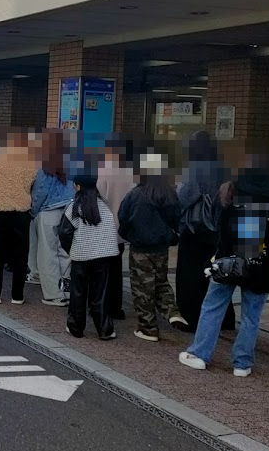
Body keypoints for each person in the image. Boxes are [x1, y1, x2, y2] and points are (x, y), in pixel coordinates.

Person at [180, 158, 269, 377]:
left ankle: (200, 354)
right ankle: (242, 363)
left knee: (213, 306)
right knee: (251, 316)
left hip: (228, 262)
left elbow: (218, 226)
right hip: (260, 265)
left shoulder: (230, 190)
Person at [119, 152, 185, 342]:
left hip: (140, 247)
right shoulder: (169, 193)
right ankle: (172, 311)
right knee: (161, 281)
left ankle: (148, 328)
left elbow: (123, 218)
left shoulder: (135, 194)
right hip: (161, 247)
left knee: (142, 287)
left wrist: (128, 235)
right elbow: (176, 218)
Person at [176, 130, 232, 333]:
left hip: (195, 230)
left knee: (191, 275)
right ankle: (225, 318)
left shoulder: (195, 169)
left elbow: (183, 198)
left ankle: (191, 316)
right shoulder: (224, 167)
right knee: (217, 273)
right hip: (219, 230)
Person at [0, 132, 38, 304]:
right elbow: (33, 187)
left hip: (0, 212)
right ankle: (17, 295)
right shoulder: (31, 164)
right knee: (20, 255)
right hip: (21, 213)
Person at [63, 170, 119, 340]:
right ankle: (105, 329)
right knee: (100, 293)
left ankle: (76, 327)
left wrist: (70, 249)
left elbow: (64, 232)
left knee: (78, 292)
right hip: (104, 256)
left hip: (81, 255)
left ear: (78, 186)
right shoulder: (104, 205)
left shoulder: (74, 207)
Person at [30, 133, 74, 306]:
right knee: (65, 254)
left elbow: (40, 192)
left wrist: (33, 211)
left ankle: (54, 294)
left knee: (47, 254)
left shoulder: (45, 164)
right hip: (68, 211)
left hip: (48, 212)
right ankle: (67, 290)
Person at [98, 139, 136, 320]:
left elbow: (99, 197)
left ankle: (102, 304)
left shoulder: (103, 170)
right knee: (116, 269)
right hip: (121, 229)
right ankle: (116, 307)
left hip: (105, 227)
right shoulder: (130, 172)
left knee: (101, 269)